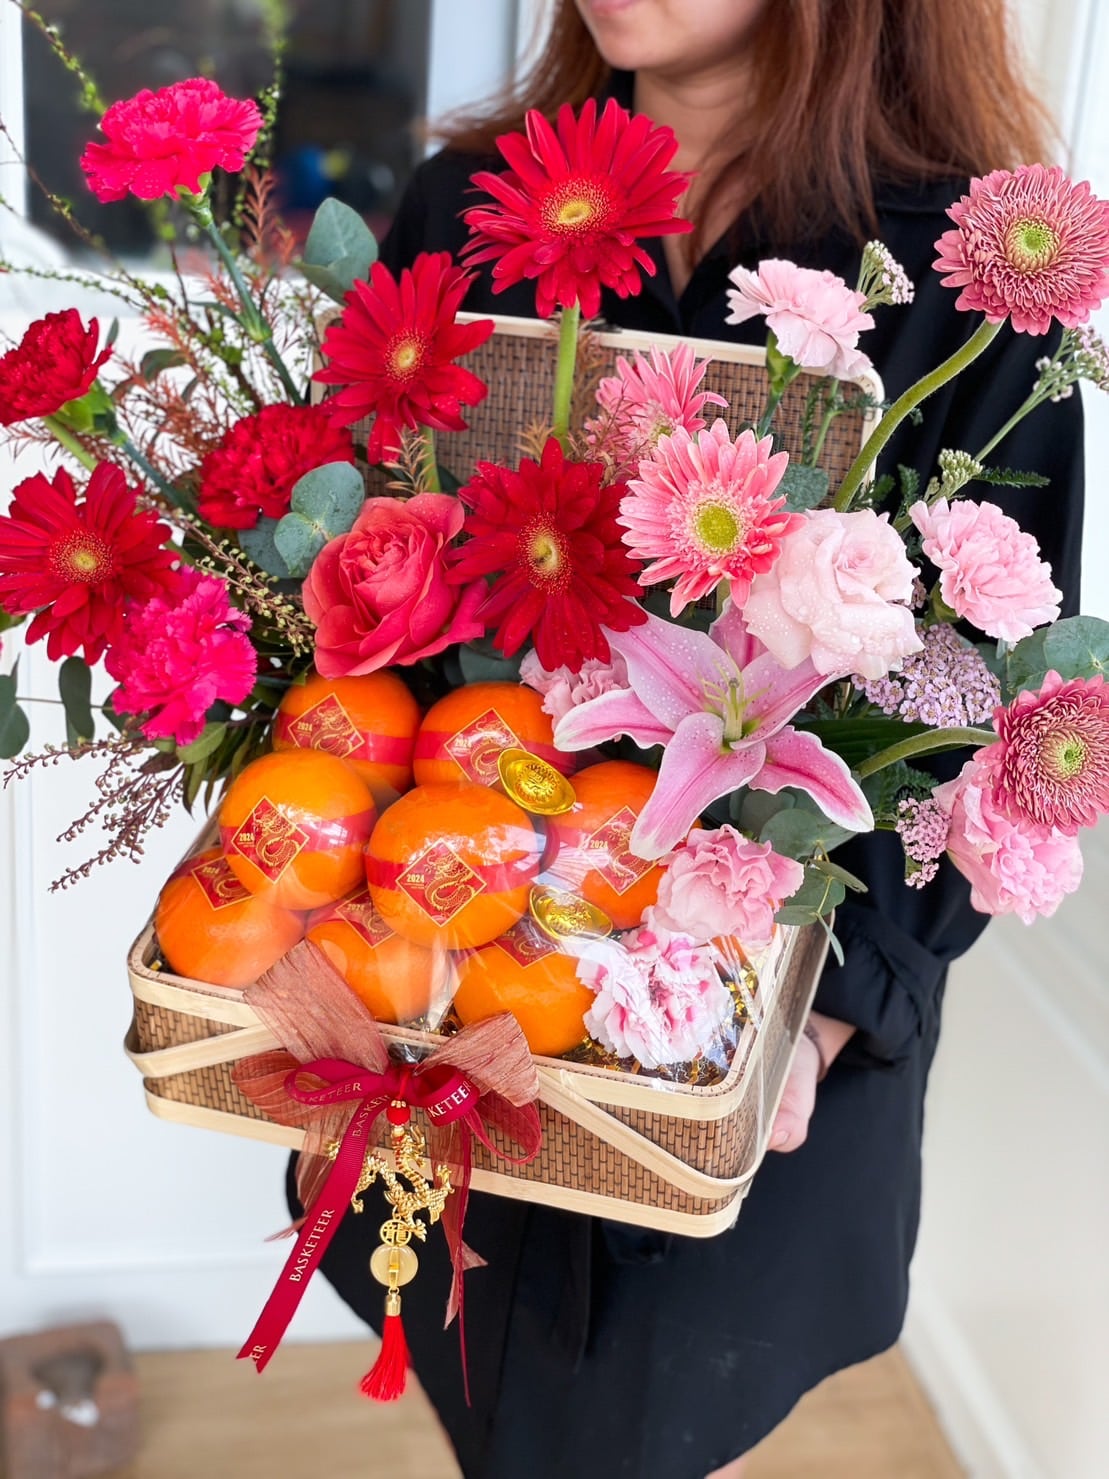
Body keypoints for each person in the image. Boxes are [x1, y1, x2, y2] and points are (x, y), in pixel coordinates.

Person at [289, 3, 1085, 1475]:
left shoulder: (957, 275)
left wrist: (820, 1019)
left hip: (747, 1047)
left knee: (645, 1418)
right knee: (470, 1366)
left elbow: (993, 733)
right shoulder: (460, 205)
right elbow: (349, 597)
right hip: (441, 964)